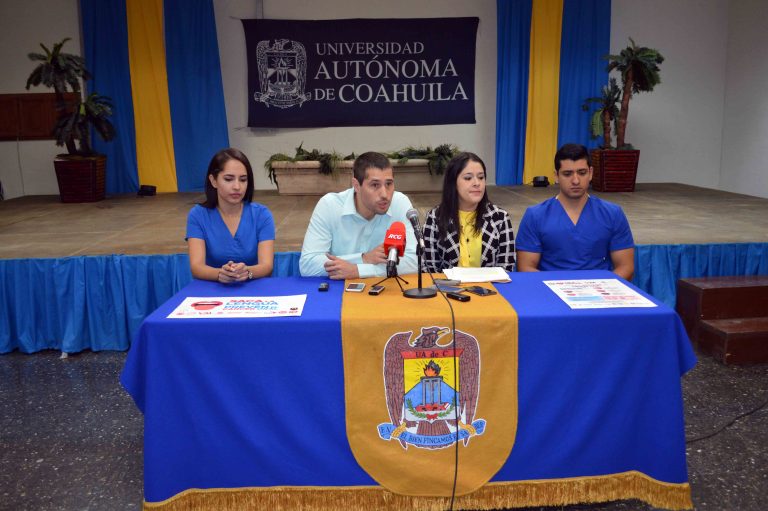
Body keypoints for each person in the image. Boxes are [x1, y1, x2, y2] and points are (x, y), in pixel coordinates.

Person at [516, 143, 635, 280]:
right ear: (556, 176)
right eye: (567, 174)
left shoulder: (613, 214)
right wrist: (559, 290)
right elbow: (525, 268)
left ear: (590, 173)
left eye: (582, 173)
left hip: (600, 296)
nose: (576, 180)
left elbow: (626, 267)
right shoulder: (535, 216)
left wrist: (597, 292)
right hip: (551, 295)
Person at [299, 151, 418, 279]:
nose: (384, 194)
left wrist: (358, 270)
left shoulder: (400, 203)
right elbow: (308, 265)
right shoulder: (330, 205)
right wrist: (363, 258)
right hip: (338, 291)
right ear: (356, 185)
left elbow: (414, 262)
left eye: (388, 184)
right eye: (375, 185)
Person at [186, 148, 275, 283]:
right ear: (213, 180)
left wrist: (247, 272)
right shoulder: (197, 215)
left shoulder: (262, 215)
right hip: (212, 292)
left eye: (243, 180)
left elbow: (267, 266)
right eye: (228, 179)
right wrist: (220, 274)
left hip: (254, 291)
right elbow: (196, 267)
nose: (237, 186)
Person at [423, 152, 516, 272]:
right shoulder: (435, 218)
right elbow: (429, 270)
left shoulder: (499, 217)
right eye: (468, 178)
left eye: (481, 177)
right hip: (448, 289)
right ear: (453, 183)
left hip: (491, 289)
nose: (477, 183)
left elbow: (507, 267)